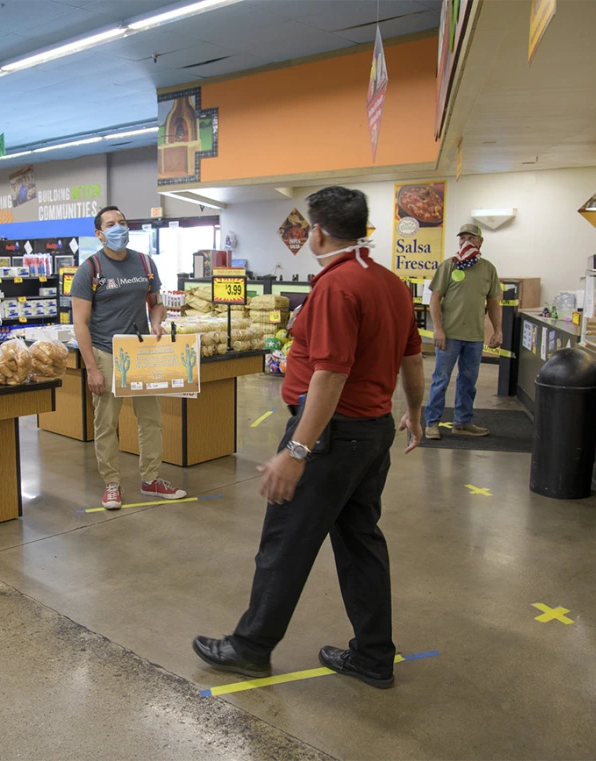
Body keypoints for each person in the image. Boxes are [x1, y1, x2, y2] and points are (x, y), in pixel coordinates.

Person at [193, 186, 425, 688]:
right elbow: (412, 355)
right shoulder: (391, 283)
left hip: (330, 438)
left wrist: (297, 449)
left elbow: (330, 376)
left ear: (317, 232)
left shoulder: (337, 287)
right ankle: (373, 655)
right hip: (372, 433)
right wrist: (417, 409)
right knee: (362, 543)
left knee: (285, 543)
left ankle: (251, 647)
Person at [71, 206, 187, 510]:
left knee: (151, 419)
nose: (118, 228)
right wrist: (91, 369)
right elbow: (80, 323)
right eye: (110, 224)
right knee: (107, 422)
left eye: (122, 222)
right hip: (106, 352)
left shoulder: (145, 263)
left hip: (140, 353)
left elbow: (156, 303)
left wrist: (157, 321)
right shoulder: (90, 269)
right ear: (99, 234)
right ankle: (112, 484)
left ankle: (151, 478)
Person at [424, 223, 503, 440]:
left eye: (470, 237)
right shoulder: (450, 266)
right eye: (461, 238)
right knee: (441, 379)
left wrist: (498, 330)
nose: (465, 241)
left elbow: (494, 302)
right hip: (449, 336)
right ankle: (432, 422)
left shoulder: (488, 269)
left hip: (475, 337)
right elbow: (435, 298)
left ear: (479, 242)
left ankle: (463, 422)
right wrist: (437, 329)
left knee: (468, 381)